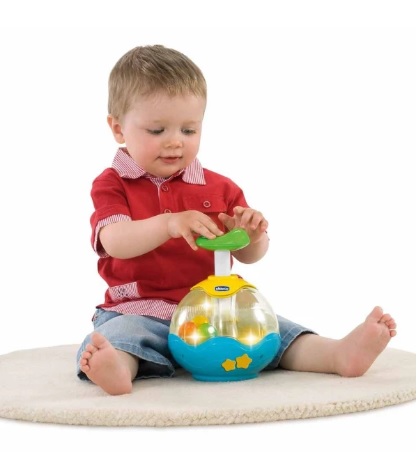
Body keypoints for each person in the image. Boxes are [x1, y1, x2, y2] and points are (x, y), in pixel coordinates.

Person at [77, 45, 397, 395]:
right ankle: (117, 368)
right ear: (118, 128)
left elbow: (248, 255)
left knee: (271, 330)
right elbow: (115, 241)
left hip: (216, 311)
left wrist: (252, 235)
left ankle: (337, 355)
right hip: (138, 310)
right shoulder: (112, 184)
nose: (175, 142)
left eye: (188, 130)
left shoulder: (219, 187)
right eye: (157, 130)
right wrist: (168, 224)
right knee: (119, 337)